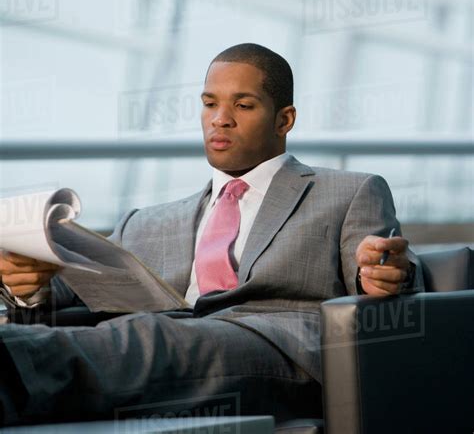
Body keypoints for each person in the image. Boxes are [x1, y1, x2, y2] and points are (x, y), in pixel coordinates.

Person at [0, 43, 422, 427]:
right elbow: (69, 296)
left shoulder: (349, 191)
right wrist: (30, 289)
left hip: (281, 350)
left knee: (152, 339)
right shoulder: (146, 222)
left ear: (283, 119)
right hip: (172, 349)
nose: (220, 119)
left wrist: (387, 272)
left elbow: (385, 269)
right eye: (209, 103)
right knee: (94, 337)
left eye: (243, 104)